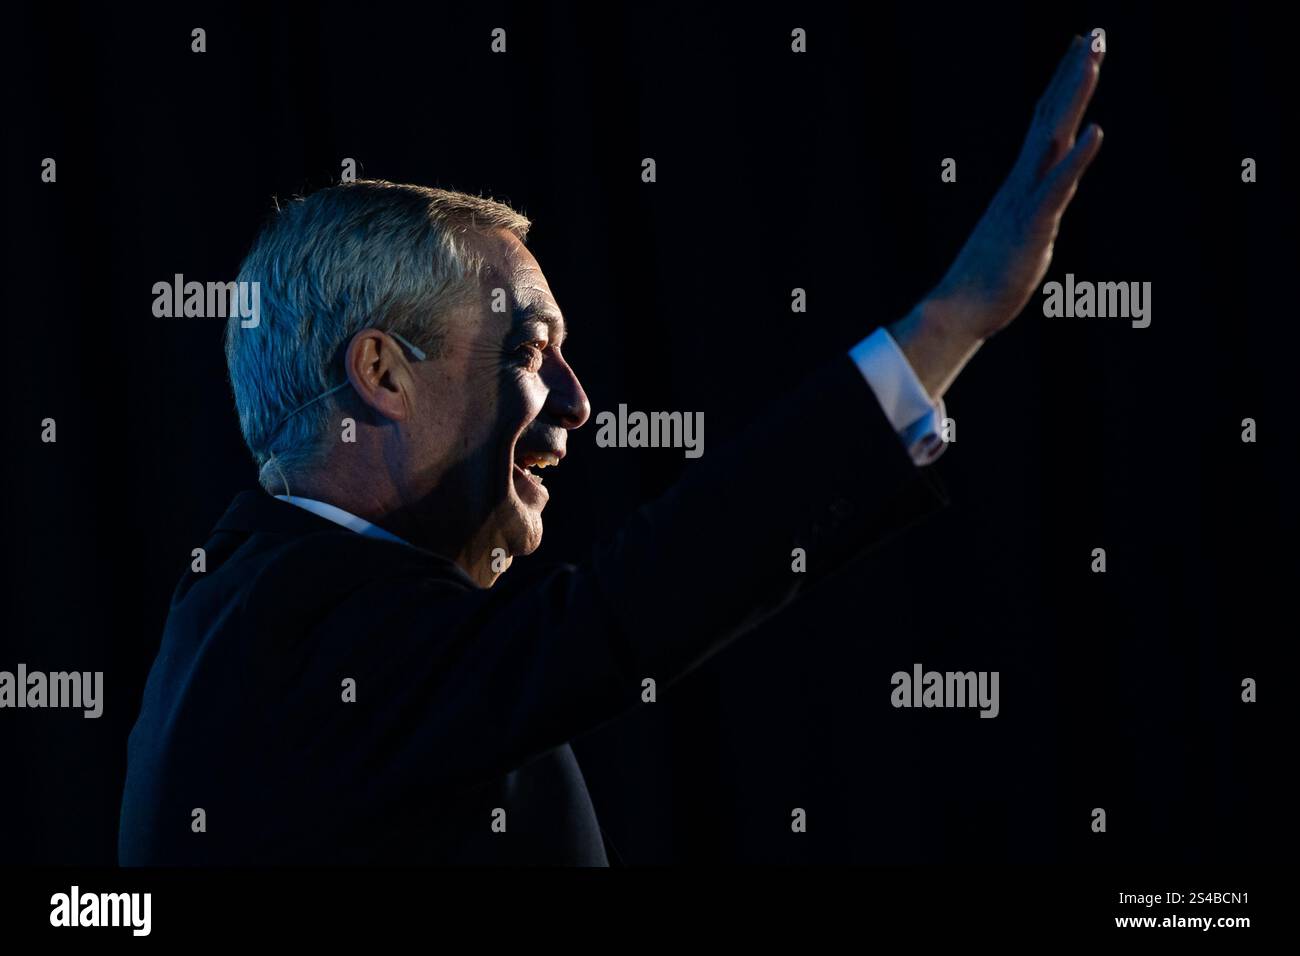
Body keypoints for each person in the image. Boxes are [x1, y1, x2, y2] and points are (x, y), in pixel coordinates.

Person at [118, 36, 1104, 864]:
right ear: (383, 371)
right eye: (532, 352)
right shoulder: (302, 635)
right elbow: (627, 608)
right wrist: (952, 321)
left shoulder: (248, 610)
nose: (581, 404)